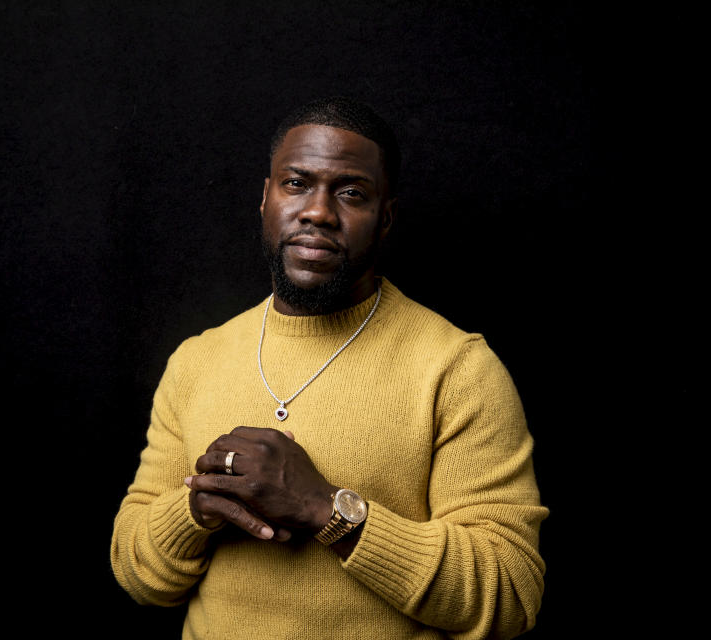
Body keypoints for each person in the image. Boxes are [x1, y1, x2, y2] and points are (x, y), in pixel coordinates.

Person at [111, 96, 548, 639]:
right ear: (266, 198)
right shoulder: (197, 360)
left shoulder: (457, 369)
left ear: (385, 217)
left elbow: (510, 594)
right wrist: (196, 507)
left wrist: (328, 511)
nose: (318, 211)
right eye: (296, 184)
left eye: (350, 193)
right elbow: (137, 576)